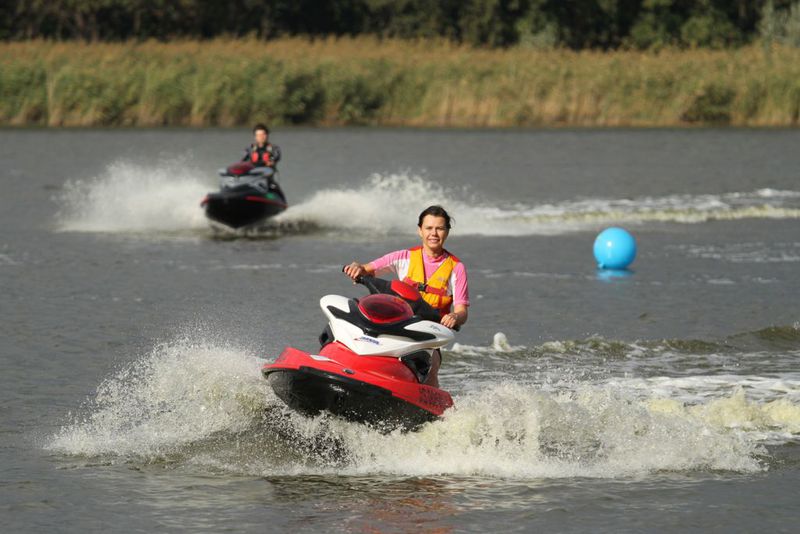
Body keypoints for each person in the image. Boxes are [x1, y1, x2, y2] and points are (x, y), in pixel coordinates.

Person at [343, 205, 469, 388]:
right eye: (429, 228)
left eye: (440, 228)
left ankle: (431, 404)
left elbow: (462, 312)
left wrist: (455, 316)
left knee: (431, 366)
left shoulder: (456, 268)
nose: (434, 233)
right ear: (420, 231)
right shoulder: (404, 257)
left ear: (447, 232)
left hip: (428, 335)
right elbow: (366, 268)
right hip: (397, 325)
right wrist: (356, 267)